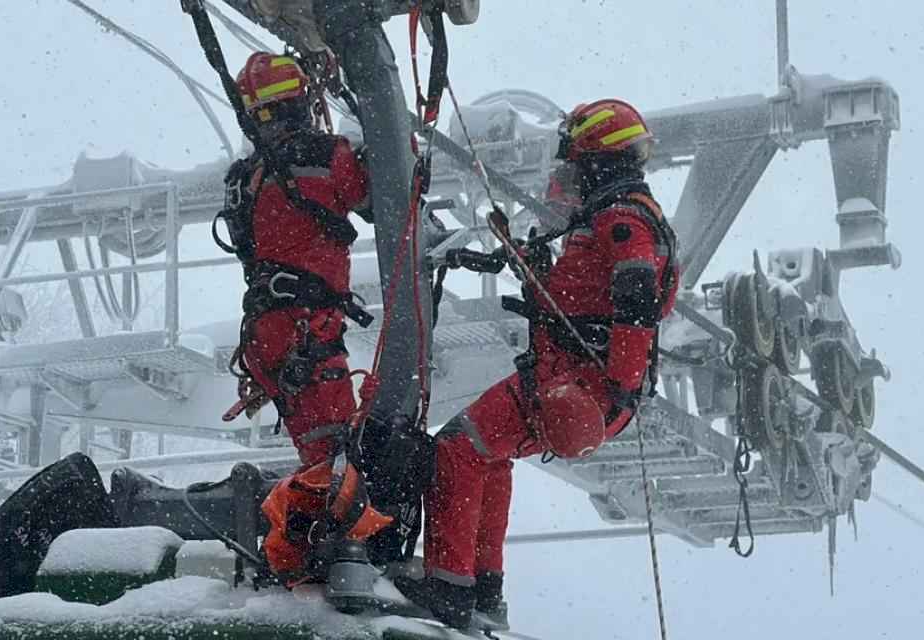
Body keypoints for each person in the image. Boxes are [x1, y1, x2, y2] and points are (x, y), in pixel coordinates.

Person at [394, 99, 680, 628]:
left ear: (596, 159)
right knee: (489, 453)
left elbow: (636, 302)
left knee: (458, 447)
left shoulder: (620, 219)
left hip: (578, 382)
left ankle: (450, 585)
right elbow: (594, 295)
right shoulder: (621, 216)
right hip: (575, 383)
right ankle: (483, 589)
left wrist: (615, 384)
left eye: (576, 161)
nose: (568, 173)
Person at [215, 52, 388, 584]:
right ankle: (307, 560)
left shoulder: (245, 177)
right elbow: (380, 195)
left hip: (268, 332)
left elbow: (254, 242)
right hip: (306, 328)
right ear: (304, 100)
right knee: (335, 456)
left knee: (322, 447)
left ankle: (317, 552)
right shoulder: (324, 155)